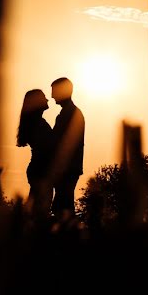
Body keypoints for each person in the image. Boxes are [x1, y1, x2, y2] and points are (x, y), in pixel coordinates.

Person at [50, 77, 85, 218]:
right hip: (69, 168)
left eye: (54, 91)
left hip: (67, 169)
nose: (52, 96)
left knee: (62, 207)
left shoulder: (69, 114)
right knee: (62, 204)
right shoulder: (70, 113)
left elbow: (58, 142)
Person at [16, 89, 54, 217]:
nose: (47, 99)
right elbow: (46, 148)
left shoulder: (36, 123)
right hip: (40, 169)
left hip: (39, 168)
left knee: (38, 208)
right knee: (39, 210)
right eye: (43, 97)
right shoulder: (38, 124)